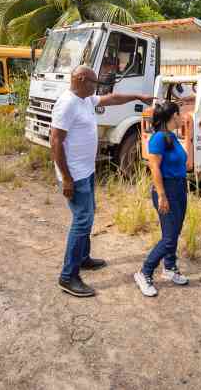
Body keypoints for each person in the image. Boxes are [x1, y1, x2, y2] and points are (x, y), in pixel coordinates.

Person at [50, 65, 154, 297]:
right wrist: (66, 178)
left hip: (86, 171)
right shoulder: (67, 104)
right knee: (82, 221)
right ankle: (68, 276)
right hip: (74, 175)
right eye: (93, 83)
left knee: (88, 215)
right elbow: (55, 142)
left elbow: (112, 98)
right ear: (80, 79)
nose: (96, 88)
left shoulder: (85, 99)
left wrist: (138, 96)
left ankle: (83, 257)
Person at [134, 102, 189, 297]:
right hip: (167, 190)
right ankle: (145, 272)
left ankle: (169, 267)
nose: (182, 117)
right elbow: (154, 168)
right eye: (180, 114)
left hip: (180, 188)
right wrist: (162, 196)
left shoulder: (171, 137)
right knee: (168, 238)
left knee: (175, 232)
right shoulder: (157, 138)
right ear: (173, 116)